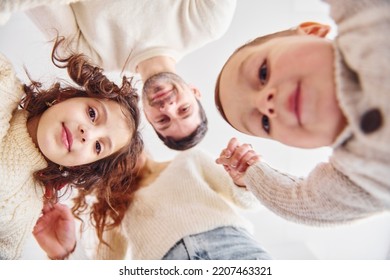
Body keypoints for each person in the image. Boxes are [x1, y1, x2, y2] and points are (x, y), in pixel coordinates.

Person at [214, 0, 390, 225]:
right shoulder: (360, 177)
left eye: (263, 73)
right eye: (265, 123)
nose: (264, 103)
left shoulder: (368, 21)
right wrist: (252, 174)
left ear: (312, 33)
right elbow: (303, 204)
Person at [24, 0, 237, 150]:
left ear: (147, 115)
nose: (168, 107)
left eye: (163, 120)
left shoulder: (88, 59)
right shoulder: (207, 23)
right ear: (194, 91)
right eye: (184, 109)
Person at [0, 37, 143, 260]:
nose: (87, 134)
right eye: (92, 114)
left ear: (82, 166)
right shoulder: (3, 80)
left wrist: (63, 255)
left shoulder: (25, 212)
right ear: (64, 98)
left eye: (98, 146)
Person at [33, 148, 271, 260]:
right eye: (105, 158)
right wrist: (64, 253)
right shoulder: (113, 206)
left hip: (231, 248)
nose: (118, 155)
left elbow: (247, 201)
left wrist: (244, 180)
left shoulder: (190, 159)